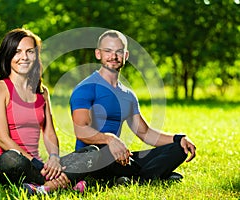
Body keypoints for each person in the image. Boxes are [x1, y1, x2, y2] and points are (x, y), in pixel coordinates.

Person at [69, 30, 196, 183]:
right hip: (94, 159)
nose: (113, 56)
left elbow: (145, 133)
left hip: (119, 157)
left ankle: (134, 178)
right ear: (98, 54)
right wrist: (109, 139)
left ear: (126, 56)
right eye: (108, 51)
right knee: (101, 154)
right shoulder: (86, 88)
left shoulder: (127, 95)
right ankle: (153, 176)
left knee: (178, 149)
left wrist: (178, 138)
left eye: (119, 52)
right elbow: (81, 131)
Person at [0, 28, 100, 195]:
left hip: (40, 166)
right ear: (8, 55)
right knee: (12, 158)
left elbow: (49, 133)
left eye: (30, 51)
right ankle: (63, 182)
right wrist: (39, 166)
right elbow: (3, 140)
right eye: (17, 52)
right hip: (11, 164)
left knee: (92, 152)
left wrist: (54, 158)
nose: (24, 57)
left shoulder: (42, 92)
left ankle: (41, 188)